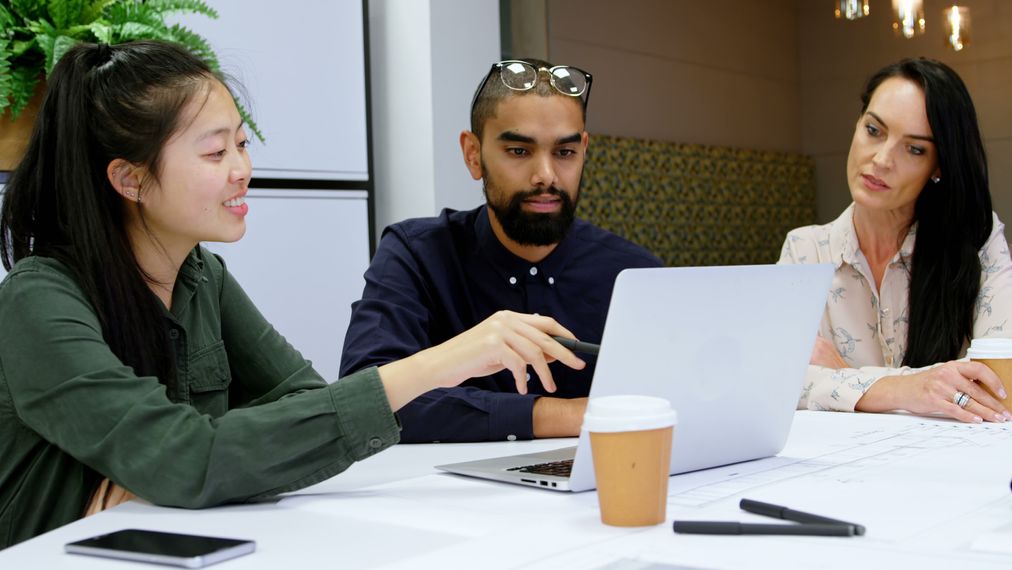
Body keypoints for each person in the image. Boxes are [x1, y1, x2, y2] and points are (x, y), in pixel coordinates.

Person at [0, 42, 586, 549]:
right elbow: (193, 459)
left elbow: (299, 400)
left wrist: (183, 458)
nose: (242, 169)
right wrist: (446, 360)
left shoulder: (204, 277)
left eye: (242, 145)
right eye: (214, 152)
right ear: (130, 179)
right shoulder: (38, 302)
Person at [340, 59, 662, 443]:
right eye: (519, 151)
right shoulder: (417, 255)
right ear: (473, 154)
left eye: (565, 153)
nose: (546, 175)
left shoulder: (637, 275)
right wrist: (563, 416)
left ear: (584, 150)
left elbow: (675, 399)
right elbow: (364, 397)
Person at [778, 58, 1012, 423]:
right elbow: (774, 378)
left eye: (914, 149)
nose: (882, 159)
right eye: (874, 130)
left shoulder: (974, 238)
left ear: (938, 166)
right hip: (837, 469)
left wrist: (841, 377)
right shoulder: (804, 250)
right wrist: (908, 388)